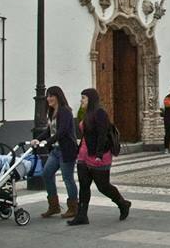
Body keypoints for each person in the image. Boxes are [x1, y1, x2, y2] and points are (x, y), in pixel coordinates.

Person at [67, 88, 131, 226]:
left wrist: (99, 154)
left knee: (103, 186)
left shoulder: (100, 113)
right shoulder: (87, 113)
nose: (81, 100)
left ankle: (122, 203)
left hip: (98, 155)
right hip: (84, 155)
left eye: (83, 98)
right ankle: (82, 215)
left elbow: (102, 134)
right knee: (84, 186)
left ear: (91, 99)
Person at [31, 86, 79, 219]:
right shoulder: (52, 112)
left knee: (67, 178)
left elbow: (62, 131)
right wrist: (37, 139)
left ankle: (74, 207)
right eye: (47, 96)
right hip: (56, 151)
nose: (48, 99)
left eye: (51, 96)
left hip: (66, 150)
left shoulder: (65, 111)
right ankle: (54, 206)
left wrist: (48, 142)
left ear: (58, 96)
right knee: (46, 174)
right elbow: (49, 130)